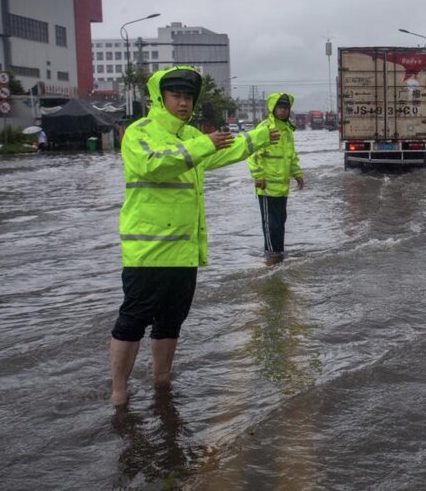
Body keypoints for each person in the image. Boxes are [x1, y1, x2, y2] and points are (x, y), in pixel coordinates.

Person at [109, 65, 278, 406]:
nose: (183, 103)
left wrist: (259, 136)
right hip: (148, 251)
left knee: (171, 321)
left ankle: (162, 379)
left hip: (184, 250)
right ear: (160, 98)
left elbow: (224, 150)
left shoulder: (190, 138)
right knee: (133, 319)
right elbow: (154, 165)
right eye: (176, 96)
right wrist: (203, 144)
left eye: (188, 97)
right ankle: (118, 390)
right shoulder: (140, 132)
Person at [247, 92, 303, 258]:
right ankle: (272, 257)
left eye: (286, 108)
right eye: (280, 107)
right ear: (273, 108)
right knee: (270, 225)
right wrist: (258, 177)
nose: (283, 111)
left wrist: (298, 174)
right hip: (267, 188)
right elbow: (253, 155)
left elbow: (291, 156)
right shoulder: (265, 129)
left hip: (282, 188)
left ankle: (279, 253)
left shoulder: (287, 131)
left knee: (280, 223)